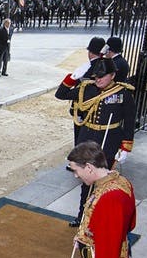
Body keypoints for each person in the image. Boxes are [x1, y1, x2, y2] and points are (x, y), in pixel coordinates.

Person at [55, 58, 135, 227]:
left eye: (102, 77)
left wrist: (125, 147)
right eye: (95, 76)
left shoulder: (123, 93)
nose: (97, 80)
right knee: (86, 183)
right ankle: (83, 217)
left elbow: (129, 120)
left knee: (103, 182)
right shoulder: (87, 88)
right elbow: (60, 94)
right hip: (88, 139)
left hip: (109, 142)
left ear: (112, 75)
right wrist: (73, 78)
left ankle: (99, 219)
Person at [64, 37, 106, 146]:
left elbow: (62, 94)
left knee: (80, 138)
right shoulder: (106, 64)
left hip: (83, 106)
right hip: (97, 108)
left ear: (90, 52)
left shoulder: (88, 67)